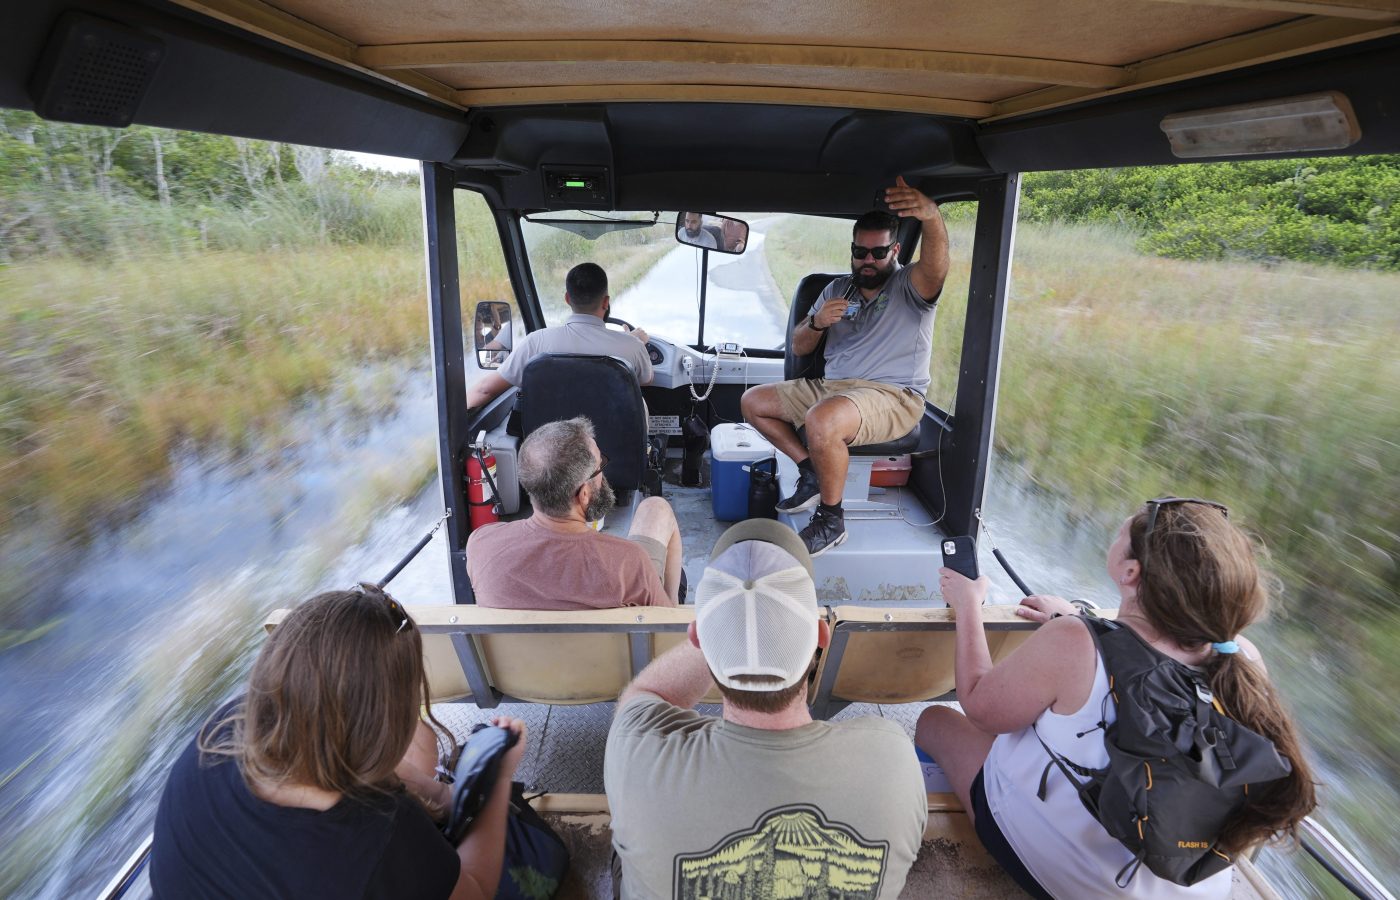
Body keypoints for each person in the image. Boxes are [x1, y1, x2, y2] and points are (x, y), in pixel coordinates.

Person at [915, 499, 1317, 899]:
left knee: (935, 720)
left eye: (1120, 534)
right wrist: (1067, 618)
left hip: (1083, 883)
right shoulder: (1243, 656)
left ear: (1130, 572)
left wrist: (968, 603)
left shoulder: (1075, 640)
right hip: (1190, 886)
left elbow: (979, 704)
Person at [605, 519, 926, 899]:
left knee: (626, 837)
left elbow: (643, 697)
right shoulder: (892, 758)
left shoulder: (638, 757)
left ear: (697, 638)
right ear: (821, 638)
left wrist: (723, 627)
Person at [150, 585, 528, 900]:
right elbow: (475, 890)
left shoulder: (226, 725)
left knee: (422, 740)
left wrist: (445, 797)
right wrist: (497, 782)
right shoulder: (382, 836)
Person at [740, 176, 949, 556]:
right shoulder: (837, 289)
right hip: (832, 388)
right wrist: (818, 321)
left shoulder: (910, 286)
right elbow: (799, 345)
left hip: (892, 394)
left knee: (822, 419)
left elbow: (936, 268)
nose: (867, 260)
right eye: (860, 251)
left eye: (877, 252)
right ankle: (810, 470)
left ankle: (832, 520)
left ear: (895, 250)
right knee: (753, 402)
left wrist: (931, 217)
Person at [467, 416, 684, 608]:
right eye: (600, 466)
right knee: (656, 508)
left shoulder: (481, 544)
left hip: (523, 653)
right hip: (611, 653)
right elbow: (661, 629)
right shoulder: (629, 562)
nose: (603, 473)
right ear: (584, 495)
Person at [466, 262, 653, 410]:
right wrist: (634, 341)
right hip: (616, 452)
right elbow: (646, 380)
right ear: (605, 302)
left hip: (551, 453)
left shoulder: (536, 343)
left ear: (567, 299)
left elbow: (484, 390)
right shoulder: (631, 347)